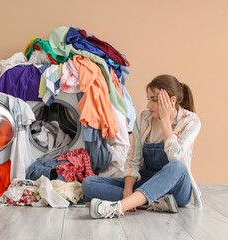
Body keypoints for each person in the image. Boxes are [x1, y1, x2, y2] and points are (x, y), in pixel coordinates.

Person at [82, 74, 202, 219]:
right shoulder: (144, 120)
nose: (148, 106)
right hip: (147, 181)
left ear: (172, 101)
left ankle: (120, 207)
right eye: (148, 99)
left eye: (154, 100)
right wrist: (127, 190)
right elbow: (133, 160)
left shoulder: (190, 121)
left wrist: (165, 120)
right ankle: (153, 202)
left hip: (177, 189)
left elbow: (175, 155)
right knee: (88, 184)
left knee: (177, 165)